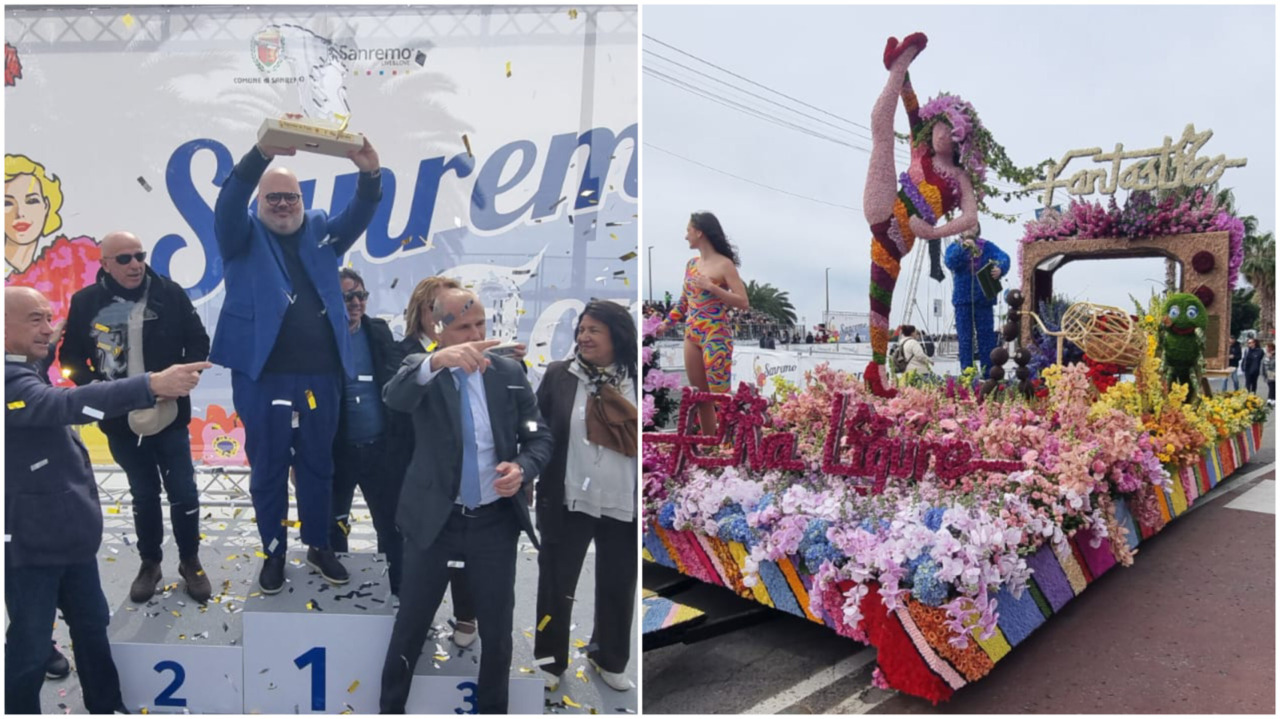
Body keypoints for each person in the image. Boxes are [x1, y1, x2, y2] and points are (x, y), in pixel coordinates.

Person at [5, 285, 209, 714]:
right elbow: (65, 403)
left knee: (93, 630)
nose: (48, 329)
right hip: (28, 546)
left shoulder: (27, 362)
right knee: (28, 648)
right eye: (34, 320)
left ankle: (106, 707)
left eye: (50, 318)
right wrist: (150, 384)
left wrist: (47, 336)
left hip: (69, 539)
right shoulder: (11, 382)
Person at [210, 134, 382, 593]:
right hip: (262, 376)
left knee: (317, 463)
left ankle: (319, 544)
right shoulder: (241, 233)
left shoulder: (321, 229)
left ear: (303, 200)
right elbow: (228, 202)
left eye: (292, 196)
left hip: (321, 376)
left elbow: (360, 215)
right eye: (273, 197)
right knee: (267, 466)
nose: (283, 204)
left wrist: (369, 174)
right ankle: (273, 551)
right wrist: (262, 154)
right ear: (260, 201)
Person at [379, 288, 553, 714]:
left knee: (497, 635)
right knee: (410, 627)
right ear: (439, 330)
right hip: (434, 522)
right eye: (464, 328)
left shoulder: (509, 372)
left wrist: (523, 468)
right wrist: (437, 361)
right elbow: (394, 396)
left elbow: (538, 437)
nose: (476, 336)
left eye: (480, 325)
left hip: (494, 523)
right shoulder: (421, 370)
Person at [863, 33, 1026, 397]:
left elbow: (970, 218)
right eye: (940, 128)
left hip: (900, 241)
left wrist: (933, 233)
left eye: (952, 136)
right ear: (935, 122)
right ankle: (897, 64)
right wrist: (903, 74)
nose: (943, 137)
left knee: (879, 302)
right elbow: (911, 105)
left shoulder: (961, 178)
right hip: (885, 211)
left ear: (961, 141)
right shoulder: (920, 144)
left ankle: (875, 370)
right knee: (881, 136)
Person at [60, 231, 213, 603]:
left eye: (139, 255)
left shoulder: (170, 293)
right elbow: (70, 360)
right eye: (124, 258)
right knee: (143, 494)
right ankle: (150, 563)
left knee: (184, 492)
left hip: (170, 415)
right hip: (120, 420)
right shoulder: (86, 302)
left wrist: (187, 377)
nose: (135, 264)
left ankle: (190, 560)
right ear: (106, 265)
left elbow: (199, 341)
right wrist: (99, 390)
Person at [534, 301, 638, 693]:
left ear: (618, 335)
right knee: (555, 583)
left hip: (623, 501)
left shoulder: (639, 380)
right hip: (568, 497)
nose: (584, 336)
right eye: (581, 329)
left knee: (618, 583)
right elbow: (539, 431)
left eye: (594, 330)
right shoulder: (560, 375)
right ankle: (549, 660)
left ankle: (609, 657)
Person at [387, 275, 478, 644]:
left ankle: (466, 614)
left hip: (463, 468)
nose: (445, 314)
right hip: (413, 461)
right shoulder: (402, 350)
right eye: (436, 307)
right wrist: (437, 361)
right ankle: (416, 611)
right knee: (422, 544)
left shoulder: (475, 348)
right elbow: (395, 399)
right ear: (421, 311)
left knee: (467, 540)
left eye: (454, 309)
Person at [328, 268, 401, 585]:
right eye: (348, 296)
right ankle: (336, 585)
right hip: (338, 451)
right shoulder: (322, 337)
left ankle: (396, 586)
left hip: (380, 450)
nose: (356, 302)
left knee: (389, 524)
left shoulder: (379, 331)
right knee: (335, 524)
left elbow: (400, 376)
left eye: (361, 295)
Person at [5, 154, 101, 385]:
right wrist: (145, 386)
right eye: (7, 202)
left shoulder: (78, 256)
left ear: (47, 206)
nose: (20, 213)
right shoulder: (14, 380)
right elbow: (54, 403)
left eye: (32, 200)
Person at [660, 212, 748, 436]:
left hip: (716, 335)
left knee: (720, 396)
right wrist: (665, 324)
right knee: (701, 395)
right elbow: (683, 301)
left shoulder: (725, 265)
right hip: (692, 335)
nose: (685, 236)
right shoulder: (691, 264)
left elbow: (743, 302)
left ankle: (729, 445)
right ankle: (710, 444)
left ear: (699, 232)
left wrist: (713, 288)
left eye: (688, 231)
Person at [944, 229, 1010, 375]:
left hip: (984, 299)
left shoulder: (987, 246)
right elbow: (950, 262)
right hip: (963, 300)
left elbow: (1004, 257)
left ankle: (988, 375)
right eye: (966, 226)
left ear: (978, 229)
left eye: (972, 225)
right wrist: (963, 248)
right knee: (965, 339)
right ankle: (967, 375)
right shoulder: (955, 247)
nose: (969, 229)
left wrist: (1000, 268)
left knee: (987, 339)